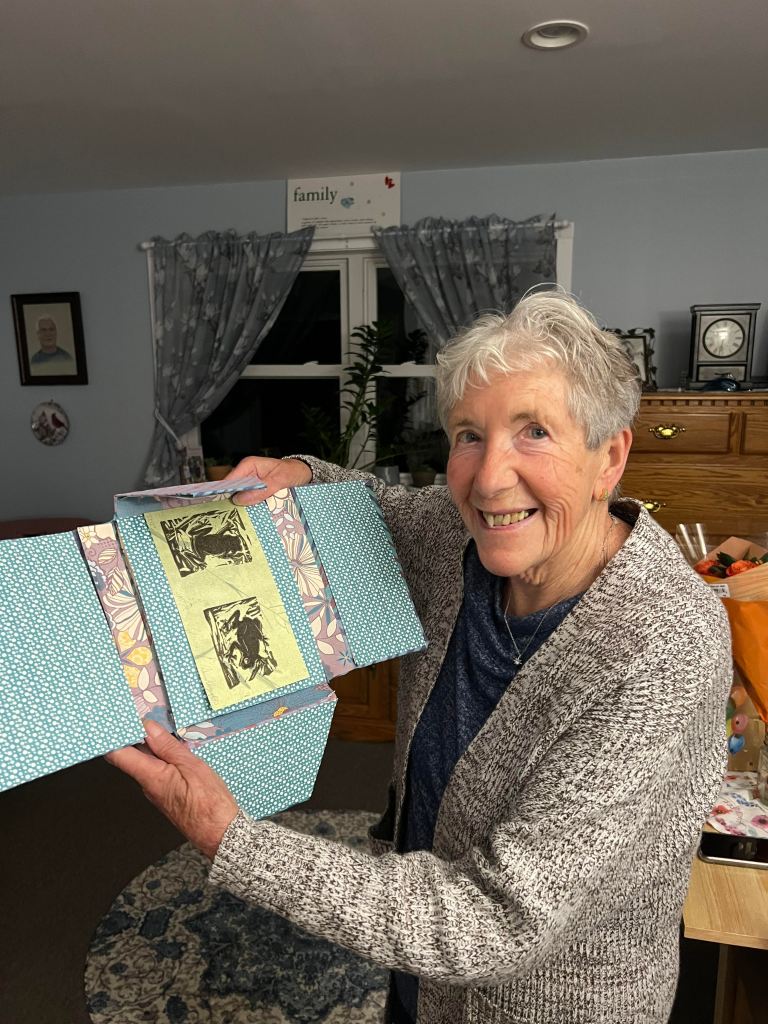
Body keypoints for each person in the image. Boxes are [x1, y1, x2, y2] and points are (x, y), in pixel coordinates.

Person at [108, 291, 731, 1023]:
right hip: (420, 979)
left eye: (533, 431)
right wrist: (303, 472)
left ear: (610, 456)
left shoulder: (662, 643)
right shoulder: (458, 537)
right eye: (470, 434)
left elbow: (497, 920)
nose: (490, 477)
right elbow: (376, 507)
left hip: (550, 1004)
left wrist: (232, 840)